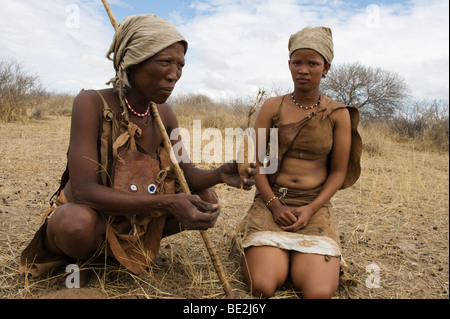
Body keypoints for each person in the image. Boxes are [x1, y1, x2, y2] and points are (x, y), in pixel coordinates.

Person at [20, 14, 255, 283]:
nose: (174, 75)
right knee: (75, 224)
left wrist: (221, 173)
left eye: (180, 65)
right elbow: (84, 192)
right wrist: (167, 202)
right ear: (132, 60)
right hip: (90, 216)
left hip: (134, 219)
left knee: (206, 198)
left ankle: (124, 252)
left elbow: (184, 173)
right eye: (165, 62)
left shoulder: (164, 113)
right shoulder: (91, 103)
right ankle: (84, 257)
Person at [237, 26, 362, 299]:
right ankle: (267, 248)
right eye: (297, 62)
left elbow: (339, 172)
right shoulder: (273, 106)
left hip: (314, 207)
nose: (303, 70)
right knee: (263, 287)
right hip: (272, 202)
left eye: (313, 63)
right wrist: (273, 204)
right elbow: (256, 162)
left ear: (326, 67)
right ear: (289, 65)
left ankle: (300, 258)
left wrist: (311, 208)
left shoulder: (337, 114)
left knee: (318, 293)